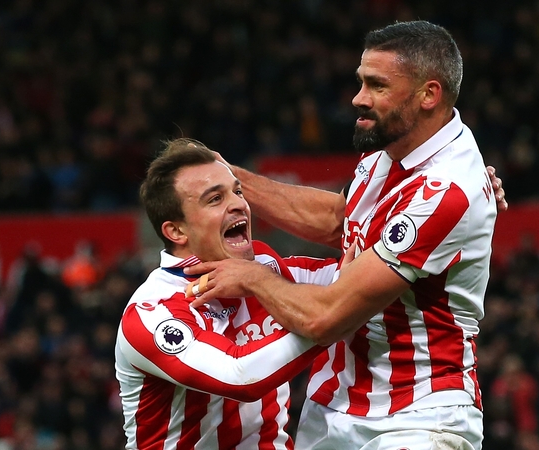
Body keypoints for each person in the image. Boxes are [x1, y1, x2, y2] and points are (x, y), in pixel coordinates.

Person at [186, 21, 497, 449]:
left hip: (417, 418)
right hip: (335, 404)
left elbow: (325, 318)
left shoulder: (446, 190)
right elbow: (342, 219)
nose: (358, 98)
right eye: (361, 81)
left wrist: (252, 276)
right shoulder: (397, 145)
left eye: (377, 85)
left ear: (429, 95)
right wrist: (229, 178)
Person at [114, 138, 340, 449]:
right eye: (215, 199)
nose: (238, 204)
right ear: (176, 231)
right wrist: (326, 318)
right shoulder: (153, 312)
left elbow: (353, 279)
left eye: (237, 191)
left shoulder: (265, 266)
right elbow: (239, 375)